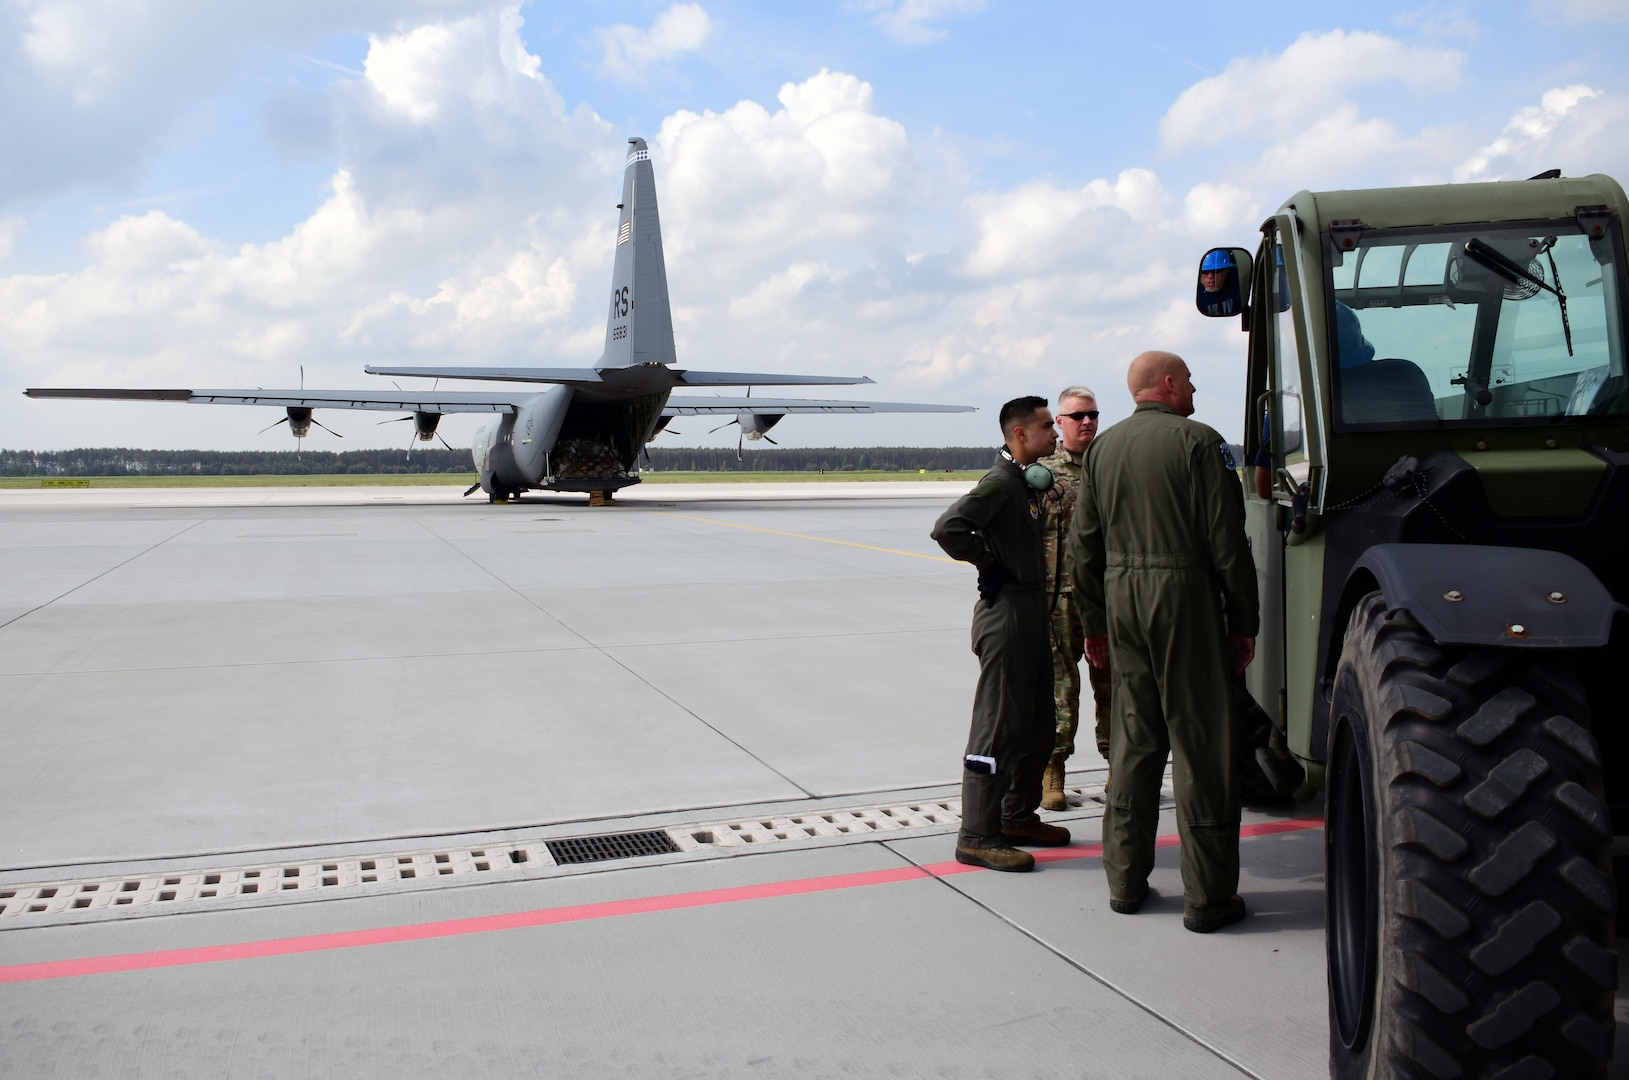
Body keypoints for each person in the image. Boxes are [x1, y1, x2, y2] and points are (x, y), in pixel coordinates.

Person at [1067, 352, 1259, 931]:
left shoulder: (1102, 449)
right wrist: (1244, 621)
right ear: (1169, 385)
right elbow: (1228, 541)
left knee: (1134, 738)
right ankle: (1208, 898)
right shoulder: (1201, 444)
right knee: (1202, 744)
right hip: (1185, 597)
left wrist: (1094, 623)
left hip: (1123, 600)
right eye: (1191, 379)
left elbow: (1085, 547)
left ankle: (1125, 881)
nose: (1196, 387)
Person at [931, 396, 1072, 872]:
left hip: (1032, 611)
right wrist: (988, 563)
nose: (1055, 434)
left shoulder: (1024, 483)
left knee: (1036, 724)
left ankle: (1015, 816)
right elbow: (949, 528)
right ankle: (977, 834)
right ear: (1019, 434)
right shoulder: (999, 483)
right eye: (1047, 426)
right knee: (995, 728)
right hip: (1007, 613)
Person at [1037, 386, 1112, 811]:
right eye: (1078, 416)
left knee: (1114, 687)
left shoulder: (1113, 466)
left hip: (1105, 599)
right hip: (1057, 602)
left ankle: (1117, 766)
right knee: (1060, 690)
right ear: (1060, 423)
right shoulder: (1041, 472)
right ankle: (1053, 769)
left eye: (1093, 415)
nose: (1087, 422)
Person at [1196, 250, 1241, 317]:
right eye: (1204, 271)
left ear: (1228, 270)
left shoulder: (1240, 281)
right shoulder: (1192, 292)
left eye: (1217, 270)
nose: (1210, 276)